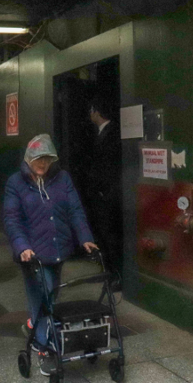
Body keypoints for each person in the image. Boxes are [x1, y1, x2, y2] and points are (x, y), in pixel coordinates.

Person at [4, 134, 98, 376]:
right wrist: (22, 246)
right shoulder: (16, 183)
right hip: (32, 254)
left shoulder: (62, 178)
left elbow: (75, 210)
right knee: (42, 294)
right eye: (38, 158)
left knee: (52, 290)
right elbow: (12, 219)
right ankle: (43, 344)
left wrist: (85, 237)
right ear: (28, 158)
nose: (43, 163)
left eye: (47, 158)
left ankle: (35, 326)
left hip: (58, 249)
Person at [87, 98, 123, 287]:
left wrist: (104, 191)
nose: (90, 114)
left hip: (107, 196)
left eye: (91, 110)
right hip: (101, 195)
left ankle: (114, 274)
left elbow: (109, 168)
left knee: (110, 236)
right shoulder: (103, 133)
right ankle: (108, 270)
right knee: (104, 234)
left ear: (97, 112)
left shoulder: (111, 135)